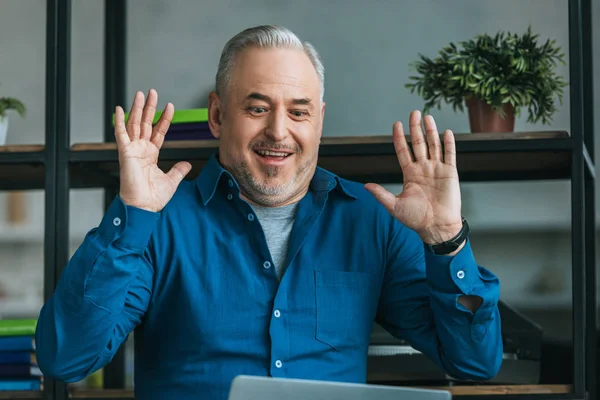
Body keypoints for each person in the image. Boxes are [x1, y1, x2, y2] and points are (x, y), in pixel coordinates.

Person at [35, 25, 502, 399]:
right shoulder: (158, 224)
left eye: (299, 113)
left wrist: (447, 239)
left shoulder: (372, 220)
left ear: (319, 120)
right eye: (257, 108)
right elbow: (67, 359)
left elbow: (474, 363)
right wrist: (133, 214)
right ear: (217, 116)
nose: (278, 132)